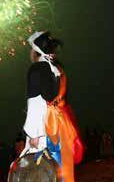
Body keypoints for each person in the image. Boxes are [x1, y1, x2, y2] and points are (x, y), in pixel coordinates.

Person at [23, 31, 81, 182]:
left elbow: (35, 101)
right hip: (60, 124)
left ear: (36, 50)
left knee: (44, 173)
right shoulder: (57, 70)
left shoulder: (37, 68)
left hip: (45, 127)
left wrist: (34, 133)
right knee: (63, 169)